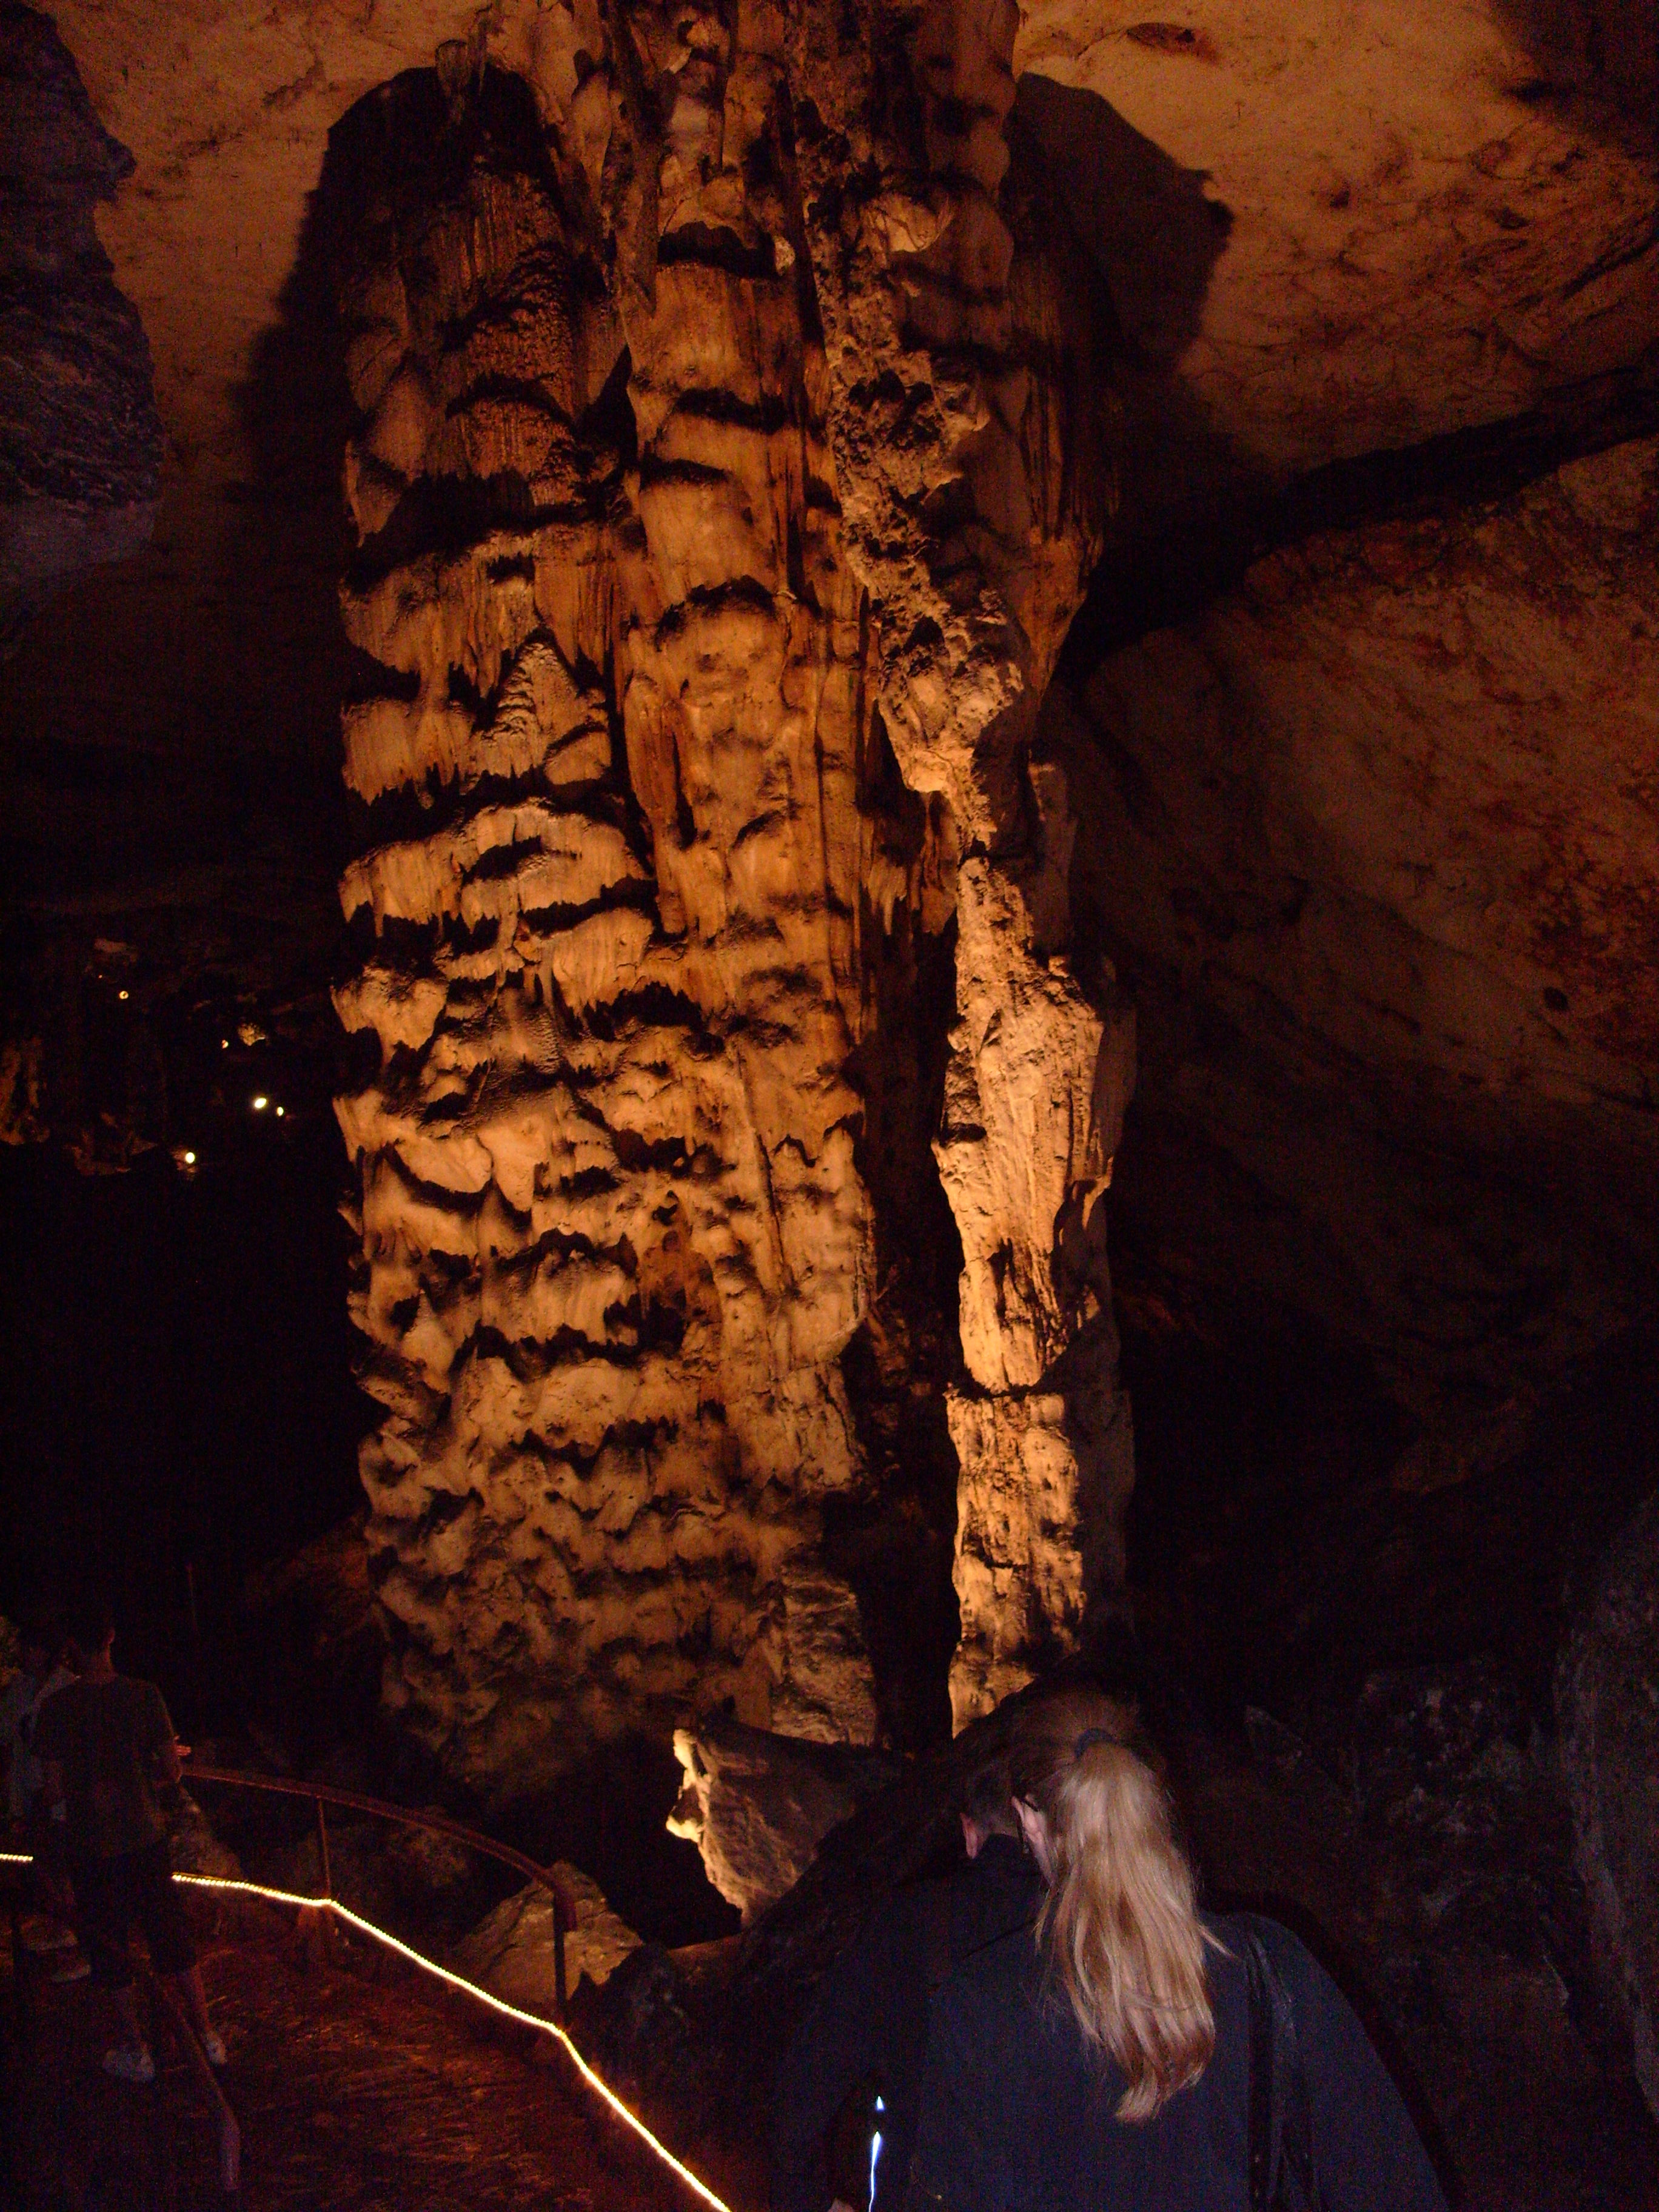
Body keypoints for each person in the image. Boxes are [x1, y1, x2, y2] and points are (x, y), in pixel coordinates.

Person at [907, 1687, 1449, 2212]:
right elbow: (1390, 2180)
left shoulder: (979, 2002)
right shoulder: (1268, 1966)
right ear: (1151, 1803)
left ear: (1027, 1819)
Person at [771, 1755, 1043, 2212]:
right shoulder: (1079, 1926)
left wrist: (808, 2197)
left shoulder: (910, 1922)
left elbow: (809, 2077)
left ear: (970, 1832)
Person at [35, 1595, 226, 2082]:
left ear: (72, 1646)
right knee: (170, 1935)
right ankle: (206, 2036)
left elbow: (53, 1789)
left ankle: (135, 2049)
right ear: (112, 1637)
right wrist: (140, 1779)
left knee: (109, 1945)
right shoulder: (144, 1696)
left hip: (91, 1845)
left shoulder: (56, 1709)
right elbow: (172, 1770)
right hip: (143, 1835)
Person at [1, 1615, 84, 1971]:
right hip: (32, 1791)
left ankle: (85, 1944)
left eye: (30, 1647)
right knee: (46, 1867)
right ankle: (66, 1930)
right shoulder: (19, 1690)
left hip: (63, 1795)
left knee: (64, 1869)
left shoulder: (69, 1688)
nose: (24, 1654)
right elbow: (9, 1743)